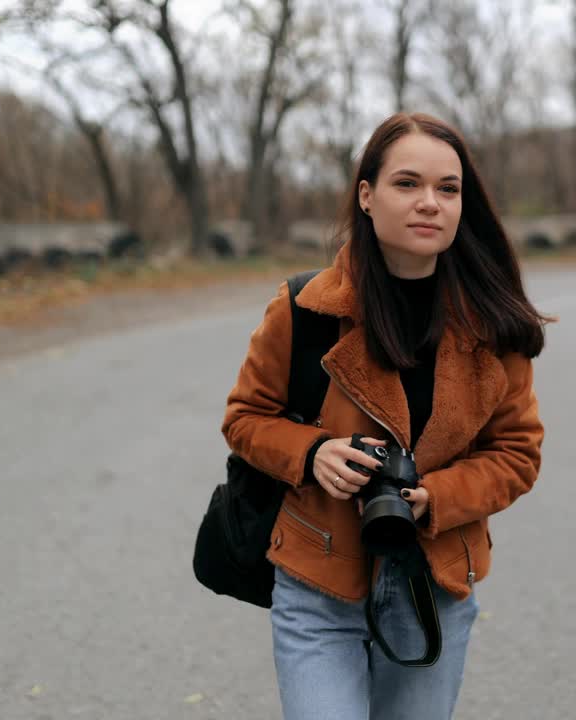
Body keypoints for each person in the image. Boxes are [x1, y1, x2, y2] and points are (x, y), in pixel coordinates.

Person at [221, 112, 549, 720]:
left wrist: (437, 496)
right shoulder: (304, 308)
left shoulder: (495, 325)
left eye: (447, 189)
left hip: (434, 584)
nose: (429, 203)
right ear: (367, 196)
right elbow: (245, 418)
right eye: (407, 184)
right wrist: (313, 453)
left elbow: (516, 454)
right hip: (319, 578)